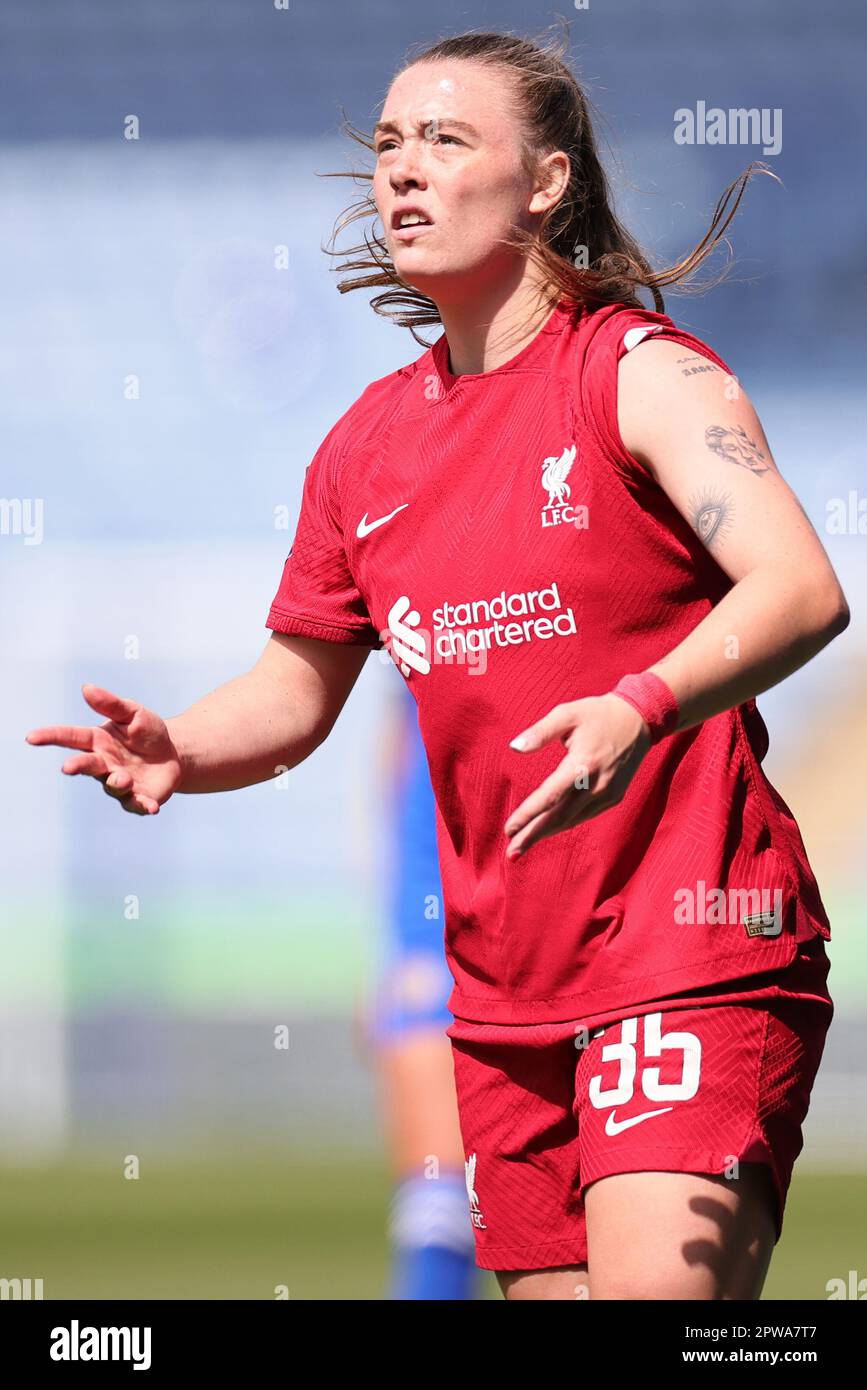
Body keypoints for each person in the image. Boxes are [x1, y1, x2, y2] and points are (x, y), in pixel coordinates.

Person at [26, 30, 850, 1300]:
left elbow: (800, 588)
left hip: (694, 955)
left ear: (547, 183)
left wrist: (639, 707)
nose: (403, 171)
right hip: (504, 1002)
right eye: (390, 145)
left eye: (448, 140)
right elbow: (293, 698)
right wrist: (182, 747)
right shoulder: (365, 452)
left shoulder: (639, 374)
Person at [362, 682, 479, 1300]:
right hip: (435, 914)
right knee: (439, 1202)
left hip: (574, 915)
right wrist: (397, 942)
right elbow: (398, 760)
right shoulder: (412, 602)